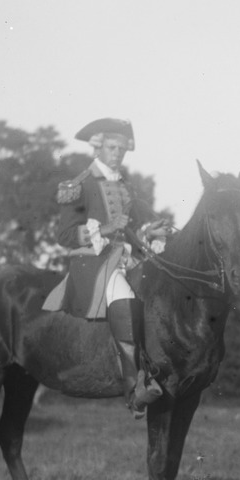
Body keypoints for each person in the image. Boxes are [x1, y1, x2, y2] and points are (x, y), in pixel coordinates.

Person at [49, 118, 168, 417]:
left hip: (124, 255)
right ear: (98, 147)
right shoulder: (78, 186)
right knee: (125, 295)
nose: (117, 154)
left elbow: (129, 232)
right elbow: (63, 236)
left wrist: (148, 234)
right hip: (92, 261)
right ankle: (133, 388)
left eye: (122, 150)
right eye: (112, 148)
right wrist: (105, 228)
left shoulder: (124, 186)